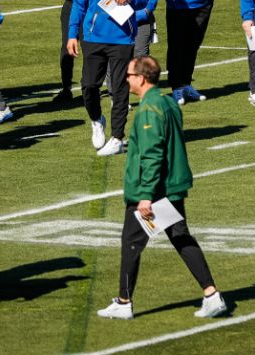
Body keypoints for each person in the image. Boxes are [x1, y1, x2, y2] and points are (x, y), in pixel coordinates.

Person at [96, 55, 226, 321]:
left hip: (154, 190)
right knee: (179, 236)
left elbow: (152, 154)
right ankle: (211, 294)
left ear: (141, 78)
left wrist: (145, 195)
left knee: (132, 241)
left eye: (130, 75)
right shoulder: (166, 102)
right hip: (170, 185)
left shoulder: (148, 111)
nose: (126, 79)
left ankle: (124, 301)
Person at [68, 0, 148, 157]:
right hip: (93, 36)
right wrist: (73, 33)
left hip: (123, 37)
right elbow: (79, 3)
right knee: (89, 86)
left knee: (120, 88)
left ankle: (117, 137)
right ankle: (96, 120)